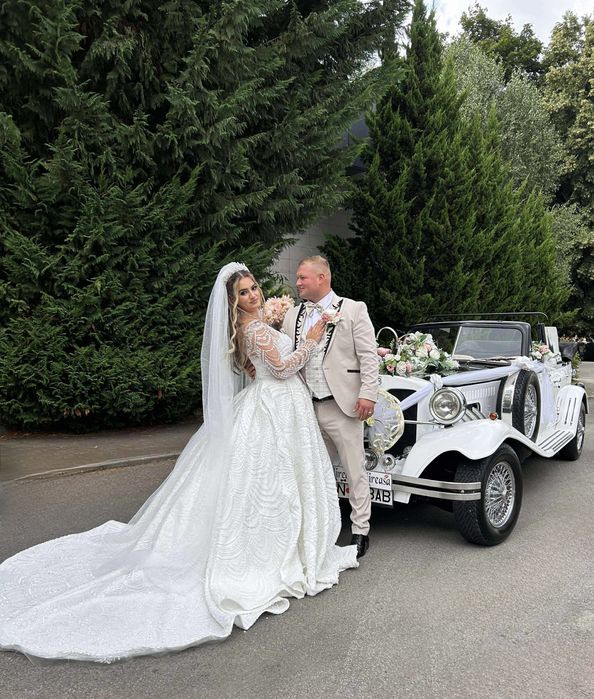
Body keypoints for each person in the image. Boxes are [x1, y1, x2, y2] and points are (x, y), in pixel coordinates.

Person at [0, 262, 358, 663]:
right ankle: (273, 552)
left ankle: (293, 540)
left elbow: (260, 364)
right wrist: (310, 340)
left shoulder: (251, 327)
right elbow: (282, 368)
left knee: (273, 481)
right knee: (268, 484)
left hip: (278, 404)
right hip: (275, 404)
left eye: (254, 287)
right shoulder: (252, 330)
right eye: (243, 292)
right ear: (232, 301)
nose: (253, 295)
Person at [282, 256, 379, 558]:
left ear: (321, 277)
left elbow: (369, 355)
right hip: (307, 407)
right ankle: (320, 530)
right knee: (314, 473)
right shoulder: (292, 316)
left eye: (302, 277)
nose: (297, 282)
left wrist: (368, 394)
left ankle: (360, 530)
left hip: (343, 405)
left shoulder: (353, 309)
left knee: (354, 470)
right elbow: (287, 357)